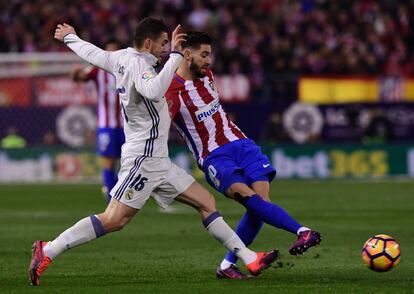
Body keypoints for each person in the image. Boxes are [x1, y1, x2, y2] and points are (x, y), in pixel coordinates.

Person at [28, 19, 278, 286]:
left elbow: (94, 53)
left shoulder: (121, 57)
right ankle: (49, 249)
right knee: (114, 219)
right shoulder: (140, 65)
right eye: (162, 44)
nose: (165, 49)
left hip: (159, 160)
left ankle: (249, 258)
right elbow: (152, 89)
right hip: (143, 159)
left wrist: (70, 38)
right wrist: (174, 58)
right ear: (149, 43)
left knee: (206, 202)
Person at [166, 31, 322, 279]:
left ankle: (228, 265)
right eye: (203, 55)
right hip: (215, 157)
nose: (208, 61)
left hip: (242, 143)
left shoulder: (207, 76)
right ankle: (302, 231)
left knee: (262, 203)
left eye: (210, 55)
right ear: (187, 54)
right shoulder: (170, 91)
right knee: (251, 201)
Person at [71, 38, 125, 204]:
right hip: (106, 126)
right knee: (109, 160)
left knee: (128, 161)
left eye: (114, 52)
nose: (110, 55)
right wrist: (75, 72)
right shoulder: (97, 71)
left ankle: (122, 193)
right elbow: (78, 77)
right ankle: (111, 197)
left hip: (126, 125)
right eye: (108, 52)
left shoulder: (126, 69)